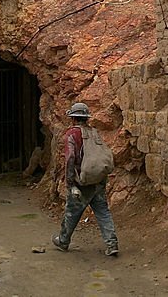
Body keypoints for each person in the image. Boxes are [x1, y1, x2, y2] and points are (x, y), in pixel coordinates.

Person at [52, 102, 119, 256]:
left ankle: (63, 241)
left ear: (73, 118)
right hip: (98, 180)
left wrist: (70, 182)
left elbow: (70, 158)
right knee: (103, 212)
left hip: (82, 180)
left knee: (72, 212)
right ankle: (112, 243)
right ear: (86, 118)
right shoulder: (93, 132)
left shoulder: (71, 134)